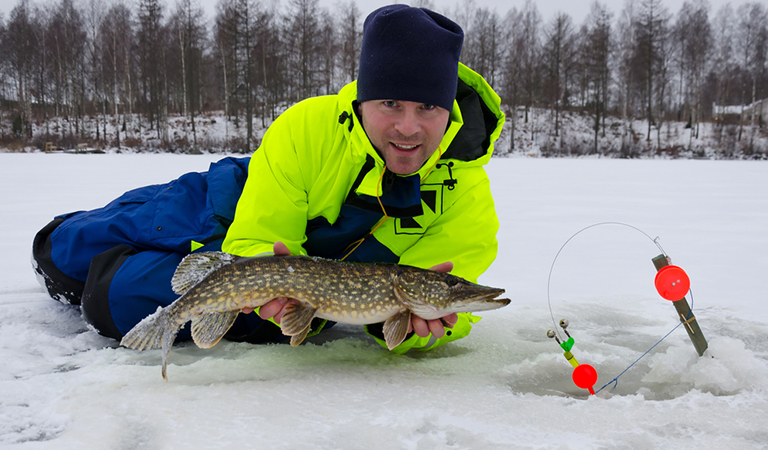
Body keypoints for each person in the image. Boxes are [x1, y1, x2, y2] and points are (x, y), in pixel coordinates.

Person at [32, 5, 505, 354]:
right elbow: (259, 234)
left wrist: (442, 321)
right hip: (231, 201)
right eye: (390, 104)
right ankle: (74, 244)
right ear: (363, 102)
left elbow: (430, 306)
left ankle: (121, 279)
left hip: (310, 283)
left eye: (428, 107)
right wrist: (262, 256)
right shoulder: (308, 126)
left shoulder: (466, 197)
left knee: (112, 300)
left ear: (450, 111)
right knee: (61, 250)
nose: (407, 127)